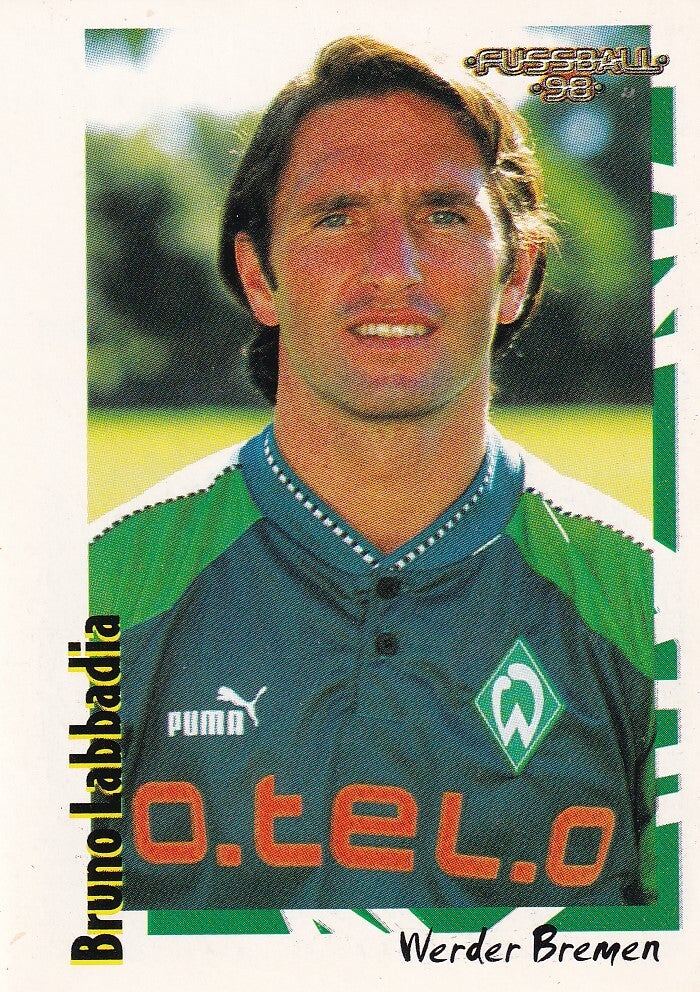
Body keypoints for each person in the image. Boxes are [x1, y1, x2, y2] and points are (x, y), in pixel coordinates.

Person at [89, 36, 655, 909]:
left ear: (516, 274)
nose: (393, 268)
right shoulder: (98, 592)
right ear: (259, 275)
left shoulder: (652, 608)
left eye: (444, 215)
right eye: (337, 216)